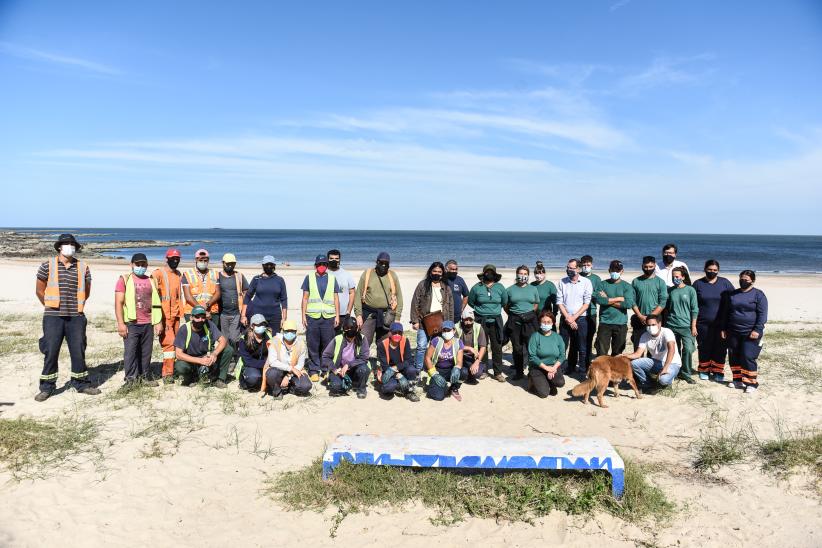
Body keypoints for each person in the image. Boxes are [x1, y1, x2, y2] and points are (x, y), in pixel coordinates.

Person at [34, 233, 101, 401]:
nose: (70, 246)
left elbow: (86, 291)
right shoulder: (47, 265)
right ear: (59, 247)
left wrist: (77, 306)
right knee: (51, 351)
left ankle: (81, 383)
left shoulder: (83, 267)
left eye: (72, 244)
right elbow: (39, 290)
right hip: (53, 316)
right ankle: (47, 387)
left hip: (76, 316)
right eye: (66, 243)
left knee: (78, 350)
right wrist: (50, 305)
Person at [114, 253, 163, 391]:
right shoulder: (124, 279)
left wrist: (158, 322)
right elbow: (118, 302)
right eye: (138, 264)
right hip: (131, 323)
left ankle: (145, 377)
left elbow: (156, 302)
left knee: (146, 352)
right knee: (130, 352)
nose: (140, 267)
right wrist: (120, 323)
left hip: (148, 323)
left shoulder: (151, 281)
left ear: (147, 265)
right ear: (132, 265)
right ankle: (130, 380)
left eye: (143, 264)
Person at [721, 270, 768, 393]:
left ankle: (751, 383)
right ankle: (737, 380)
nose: (743, 281)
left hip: (751, 332)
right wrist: (724, 328)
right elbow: (726, 313)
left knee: (748, 356)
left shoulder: (759, 295)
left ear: (752, 281)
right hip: (733, 331)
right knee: (734, 355)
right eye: (741, 279)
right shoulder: (733, 294)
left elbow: (762, 314)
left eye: (746, 280)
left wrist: (757, 329)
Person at [693, 260, 735, 382]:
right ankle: (704, 370)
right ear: (705, 269)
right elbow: (692, 304)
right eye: (710, 270)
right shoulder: (698, 284)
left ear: (718, 270)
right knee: (704, 346)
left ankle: (718, 371)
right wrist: (693, 324)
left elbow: (734, 299)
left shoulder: (725, 283)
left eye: (715, 270)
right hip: (703, 323)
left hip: (722, 324)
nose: (712, 272)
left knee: (720, 348)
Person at [302, 255, 341, 382]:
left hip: (328, 317)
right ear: (315, 266)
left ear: (327, 265)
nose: (322, 266)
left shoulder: (332, 278)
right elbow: (305, 298)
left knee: (327, 344)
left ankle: (325, 369)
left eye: (324, 264)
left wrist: (337, 315)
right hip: (312, 317)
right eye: (319, 264)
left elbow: (336, 298)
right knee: (313, 344)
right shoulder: (309, 277)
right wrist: (303, 315)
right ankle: (313, 370)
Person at [410, 261, 454, 373]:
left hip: (441, 322)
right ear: (430, 271)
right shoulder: (423, 285)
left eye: (439, 271)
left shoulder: (446, 287)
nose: (437, 273)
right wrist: (415, 321)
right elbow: (415, 302)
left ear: (442, 273)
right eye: (434, 271)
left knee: (436, 346)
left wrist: (450, 323)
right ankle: (418, 369)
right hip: (424, 321)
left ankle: (432, 368)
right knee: (421, 347)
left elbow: (451, 306)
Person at [354, 252, 403, 352]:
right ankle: (362, 363)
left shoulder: (392, 276)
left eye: (386, 263)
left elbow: (399, 297)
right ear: (377, 262)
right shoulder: (367, 274)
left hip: (387, 315)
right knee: (364, 340)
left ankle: (383, 364)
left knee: (385, 342)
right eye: (381, 263)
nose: (384, 265)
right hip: (368, 314)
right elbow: (358, 295)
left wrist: (397, 317)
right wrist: (358, 314)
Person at [467, 264, 508, 382]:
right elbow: (471, 301)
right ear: (483, 274)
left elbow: (504, 301)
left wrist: (493, 310)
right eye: (487, 272)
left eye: (491, 272)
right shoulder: (477, 287)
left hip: (496, 320)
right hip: (481, 320)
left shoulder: (500, 287)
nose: (489, 274)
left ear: (495, 275)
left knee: (497, 346)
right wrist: (481, 311)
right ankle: (484, 370)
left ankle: (498, 372)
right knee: (482, 346)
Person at [173, 305, 232, 387]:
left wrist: (214, 354)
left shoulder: (209, 324)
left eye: (203, 317)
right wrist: (200, 361)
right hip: (191, 360)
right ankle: (189, 379)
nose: (200, 320)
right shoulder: (184, 329)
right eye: (197, 317)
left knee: (228, 350)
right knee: (180, 366)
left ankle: (219, 379)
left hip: (206, 357)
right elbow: (178, 354)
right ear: (191, 318)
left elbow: (223, 340)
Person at [152, 248, 185, 383]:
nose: (175, 261)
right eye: (173, 259)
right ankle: (167, 374)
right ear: (167, 259)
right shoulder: (158, 274)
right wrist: (157, 320)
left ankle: (176, 369)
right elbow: (152, 296)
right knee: (169, 345)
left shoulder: (179, 275)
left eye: (177, 259)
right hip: (164, 316)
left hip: (176, 316)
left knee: (178, 344)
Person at [624, 314, 682, 391]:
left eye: (653, 324)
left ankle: (669, 380)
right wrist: (624, 355)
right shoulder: (645, 335)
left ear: (659, 324)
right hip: (656, 361)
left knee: (663, 380)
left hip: (672, 363)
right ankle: (648, 383)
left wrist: (665, 368)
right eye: (648, 325)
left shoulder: (667, 332)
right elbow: (638, 354)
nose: (651, 327)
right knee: (634, 364)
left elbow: (672, 349)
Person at [556, 258, 593, 376]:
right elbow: (559, 302)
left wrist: (574, 318)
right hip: (565, 318)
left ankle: (582, 370)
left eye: (572, 268)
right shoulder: (562, 282)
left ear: (578, 269)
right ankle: (563, 369)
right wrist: (568, 317)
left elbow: (586, 304)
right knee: (563, 346)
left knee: (581, 346)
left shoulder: (586, 282)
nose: (569, 270)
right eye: (568, 268)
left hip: (581, 319)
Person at [594, 260, 636, 357]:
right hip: (605, 322)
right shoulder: (602, 284)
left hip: (620, 323)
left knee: (618, 352)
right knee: (601, 351)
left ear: (622, 271)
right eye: (613, 270)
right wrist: (618, 298)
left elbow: (628, 304)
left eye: (618, 270)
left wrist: (607, 300)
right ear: (609, 270)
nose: (615, 272)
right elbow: (599, 300)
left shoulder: (627, 286)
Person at [665, 266, 699, 384]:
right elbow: (666, 308)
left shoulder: (690, 290)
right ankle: (676, 371)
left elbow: (695, 309)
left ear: (683, 277)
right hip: (671, 325)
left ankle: (686, 373)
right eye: (673, 276)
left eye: (677, 276)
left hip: (686, 326)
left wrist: (693, 326)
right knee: (674, 350)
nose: (675, 278)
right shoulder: (669, 291)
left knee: (689, 349)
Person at [505, 265, 540, 380]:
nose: (523, 276)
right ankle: (519, 372)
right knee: (517, 347)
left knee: (531, 346)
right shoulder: (510, 290)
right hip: (515, 320)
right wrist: (514, 314)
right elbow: (505, 305)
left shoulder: (533, 289)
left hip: (530, 320)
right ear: (516, 274)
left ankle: (532, 372)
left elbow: (536, 304)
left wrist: (529, 314)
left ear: (528, 276)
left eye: (525, 274)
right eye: (521, 273)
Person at [323, 316, 371, 398]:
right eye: (347, 328)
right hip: (339, 370)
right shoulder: (337, 339)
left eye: (352, 327)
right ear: (343, 329)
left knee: (364, 369)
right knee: (335, 387)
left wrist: (349, 365)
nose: (349, 330)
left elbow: (364, 358)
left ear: (357, 328)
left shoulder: (362, 338)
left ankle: (361, 389)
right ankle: (345, 384)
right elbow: (325, 356)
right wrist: (334, 369)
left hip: (355, 368)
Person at [263, 318, 312, 398]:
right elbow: (273, 362)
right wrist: (290, 368)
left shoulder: (301, 344)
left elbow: (300, 364)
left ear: (296, 332)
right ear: (283, 331)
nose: (289, 333)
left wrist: (288, 376)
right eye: (287, 331)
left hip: (294, 371)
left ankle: (289, 389)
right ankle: (277, 391)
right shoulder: (274, 341)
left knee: (306, 386)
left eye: (292, 331)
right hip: (278, 370)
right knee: (272, 374)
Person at [631, 256, 668, 351]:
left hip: (655, 319)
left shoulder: (660, 282)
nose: (648, 269)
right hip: (640, 318)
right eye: (646, 267)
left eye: (651, 267)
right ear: (642, 266)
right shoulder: (636, 281)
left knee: (655, 347)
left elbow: (663, 302)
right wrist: (639, 315)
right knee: (638, 345)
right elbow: (632, 300)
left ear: (655, 265)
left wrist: (651, 317)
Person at [375, 322, 419, 401]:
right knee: (389, 388)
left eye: (400, 333)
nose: (397, 335)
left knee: (412, 370)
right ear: (390, 333)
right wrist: (397, 375)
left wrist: (397, 367)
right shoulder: (382, 345)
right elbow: (384, 366)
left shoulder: (405, 341)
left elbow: (409, 360)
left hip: (401, 368)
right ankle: (395, 386)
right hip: (388, 371)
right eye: (395, 332)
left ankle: (409, 391)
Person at [424, 321, 466, 401]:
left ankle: (454, 388)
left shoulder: (458, 342)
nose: (446, 332)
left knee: (463, 372)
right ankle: (432, 387)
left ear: (454, 330)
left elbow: (459, 361)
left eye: (448, 330)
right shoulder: (436, 341)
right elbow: (427, 358)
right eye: (444, 330)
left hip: (451, 370)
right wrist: (434, 374)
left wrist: (457, 368)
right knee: (439, 397)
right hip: (437, 370)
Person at [527, 311, 567, 398]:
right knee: (544, 394)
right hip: (538, 367)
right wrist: (546, 368)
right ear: (539, 323)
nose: (546, 324)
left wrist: (554, 368)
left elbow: (562, 355)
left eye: (548, 322)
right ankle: (532, 380)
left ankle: (548, 381)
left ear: (553, 323)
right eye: (543, 322)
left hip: (553, 366)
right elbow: (532, 357)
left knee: (560, 383)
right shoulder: (535, 336)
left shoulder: (558, 337)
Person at [244, 255, 288, 333]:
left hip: (275, 316)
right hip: (258, 315)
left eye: (271, 264)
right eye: (266, 264)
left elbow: (284, 300)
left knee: (274, 340)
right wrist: (243, 315)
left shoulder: (280, 280)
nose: (269, 266)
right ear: (263, 265)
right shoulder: (256, 279)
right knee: (258, 338)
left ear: (274, 265)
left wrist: (284, 318)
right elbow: (247, 297)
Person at [217, 252, 248, 357]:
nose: (230, 266)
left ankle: (235, 356)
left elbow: (246, 292)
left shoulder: (239, 276)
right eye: (228, 263)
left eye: (232, 264)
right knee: (224, 339)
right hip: (223, 314)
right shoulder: (218, 276)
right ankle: (228, 359)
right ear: (223, 263)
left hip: (236, 313)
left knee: (234, 338)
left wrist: (244, 311)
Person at [182, 249, 221, 323]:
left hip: (212, 311)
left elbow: (218, 293)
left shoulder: (215, 274)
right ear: (196, 260)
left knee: (211, 334)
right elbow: (188, 297)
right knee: (194, 334)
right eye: (201, 260)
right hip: (192, 311)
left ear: (208, 260)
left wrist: (208, 304)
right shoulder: (187, 274)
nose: (203, 262)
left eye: (205, 260)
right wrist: (201, 309)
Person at [235, 314, 273, 391]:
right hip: (250, 365)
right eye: (258, 324)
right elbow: (248, 361)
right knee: (254, 377)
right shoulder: (244, 339)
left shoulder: (268, 335)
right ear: (252, 326)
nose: (261, 326)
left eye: (263, 324)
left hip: (266, 364)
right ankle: (244, 381)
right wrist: (265, 364)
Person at [579, 255, 601, 369]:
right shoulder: (577, 276)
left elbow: (598, 295)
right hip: (578, 312)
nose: (586, 267)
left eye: (588, 265)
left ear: (592, 265)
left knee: (589, 338)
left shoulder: (596, 279)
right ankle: (576, 363)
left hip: (591, 312)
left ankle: (587, 362)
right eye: (584, 265)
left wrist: (588, 293)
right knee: (577, 340)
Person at [328, 249, 357, 334]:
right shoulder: (324, 273)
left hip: (343, 314)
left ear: (340, 260)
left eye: (336, 258)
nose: (334, 260)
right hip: (327, 314)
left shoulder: (346, 274)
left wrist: (348, 311)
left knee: (341, 340)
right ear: (328, 259)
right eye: (331, 258)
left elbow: (352, 293)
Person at [457, 308, 487, 382]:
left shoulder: (478, 327)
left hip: (473, 357)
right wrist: (469, 348)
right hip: (459, 355)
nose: (468, 322)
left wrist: (476, 362)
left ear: (473, 320)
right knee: (463, 373)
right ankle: (466, 372)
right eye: (466, 320)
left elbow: (483, 347)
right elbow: (453, 345)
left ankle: (477, 368)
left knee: (477, 373)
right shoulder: (456, 327)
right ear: (462, 320)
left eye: (470, 320)